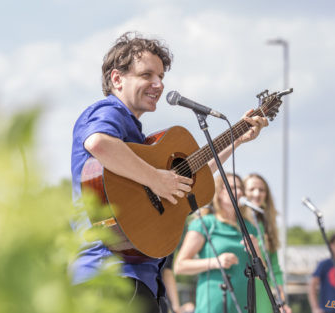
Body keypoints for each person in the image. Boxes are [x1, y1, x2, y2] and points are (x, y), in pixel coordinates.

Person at [70, 31, 268, 313]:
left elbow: (189, 180)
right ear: (117, 79)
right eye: (147, 75)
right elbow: (99, 143)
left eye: (161, 76)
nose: (158, 84)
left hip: (138, 277)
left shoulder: (137, 142)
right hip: (110, 274)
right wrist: (156, 179)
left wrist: (236, 139)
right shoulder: (109, 111)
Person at [174, 173, 262, 313]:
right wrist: (215, 262)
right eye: (232, 187)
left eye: (240, 188)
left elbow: (261, 275)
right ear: (219, 193)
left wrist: (256, 250)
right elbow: (180, 266)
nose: (238, 192)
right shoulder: (205, 224)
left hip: (244, 305)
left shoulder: (249, 227)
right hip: (213, 305)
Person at [243, 173, 292, 313]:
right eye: (251, 189)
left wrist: (281, 301)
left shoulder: (266, 224)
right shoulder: (237, 224)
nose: (257, 193)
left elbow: (275, 267)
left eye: (261, 190)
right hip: (243, 290)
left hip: (264, 292)